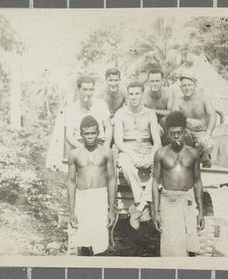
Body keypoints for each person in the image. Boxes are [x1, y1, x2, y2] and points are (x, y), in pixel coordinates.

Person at [152, 111, 204, 257]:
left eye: (179, 133)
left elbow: (198, 181)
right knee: (170, 243)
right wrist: (156, 212)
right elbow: (155, 182)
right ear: (167, 133)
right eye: (172, 133)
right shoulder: (161, 154)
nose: (176, 137)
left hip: (187, 201)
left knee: (189, 242)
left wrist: (200, 211)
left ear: (185, 132)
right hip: (168, 201)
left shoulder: (193, 154)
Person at [114, 81, 162, 230]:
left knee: (160, 169)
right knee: (127, 165)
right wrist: (133, 155)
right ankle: (141, 203)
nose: (134, 97)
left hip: (147, 147)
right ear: (127, 95)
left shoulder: (150, 114)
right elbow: (118, 140)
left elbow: (157, 142)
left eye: (137, 94)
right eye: (131, 94)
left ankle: (138, 209)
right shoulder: (120, 113)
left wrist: (150, 156)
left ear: (142, 95)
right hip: (127, 149)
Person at [67, 116, 116, 256]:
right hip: (82, 199)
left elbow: (112, 179)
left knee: (100, 243)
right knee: (82, 242)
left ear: (98, 133)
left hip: (100, 198)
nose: (90, 136)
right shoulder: (74, 154)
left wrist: (111, 210)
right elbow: (70, 182)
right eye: (87, 133)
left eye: (93, 133)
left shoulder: (106, 152)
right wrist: (71, 212)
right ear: (81, 134)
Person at [172, 71, 216, 167]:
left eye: (189, 85)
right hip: (186, 133)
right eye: (184, 86)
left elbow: (212, 115)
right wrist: (186, 121)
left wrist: (208, 133)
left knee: (207, 144)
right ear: (181, 88)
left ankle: (204, 157)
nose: (187, 88)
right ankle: (187, 157)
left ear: (195, 85)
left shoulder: (203, 98)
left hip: (202, 132)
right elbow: (174, 116)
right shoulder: (178, 99)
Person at [64, 75, 112, 158]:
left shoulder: (101, 104)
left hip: (99, 142)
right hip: (80, 144)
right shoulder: (71, 109)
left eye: (91, 90)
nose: (88, 93)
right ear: (78, 90)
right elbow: (69, 135)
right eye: (85, 90)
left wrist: (106, 147)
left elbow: (108, 127)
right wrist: (83, 149)